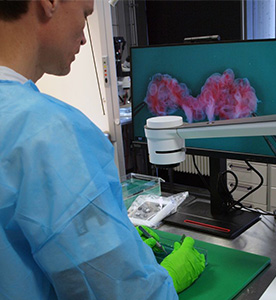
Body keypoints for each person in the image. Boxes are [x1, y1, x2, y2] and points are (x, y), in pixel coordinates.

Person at [0, 1, 205, 299]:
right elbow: (120, 290)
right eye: (85, 13)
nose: (85, 37)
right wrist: (167, 279)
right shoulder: (45, 131)